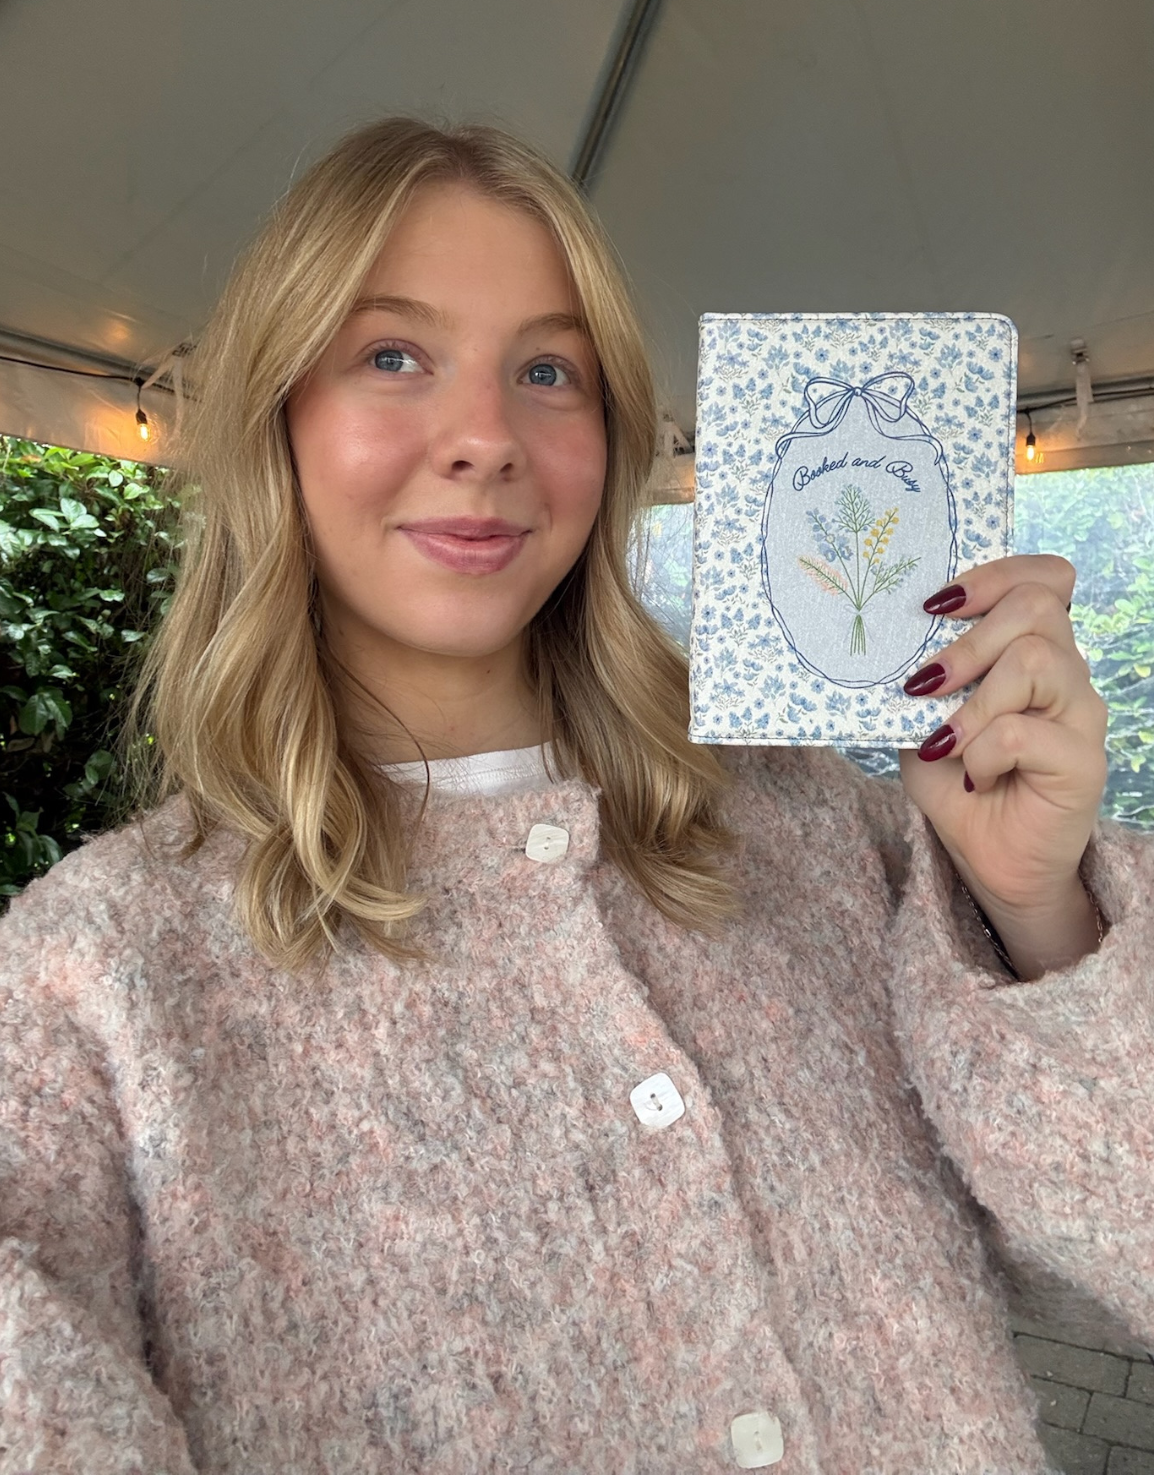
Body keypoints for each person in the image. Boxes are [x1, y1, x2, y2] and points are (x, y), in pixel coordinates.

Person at [1, 118, 1150, 1475]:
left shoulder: (815, 825)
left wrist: (1036, 912)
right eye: (392, 355)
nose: (486, 438)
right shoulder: (92, 980)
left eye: (548, 370)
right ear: (276, 413)